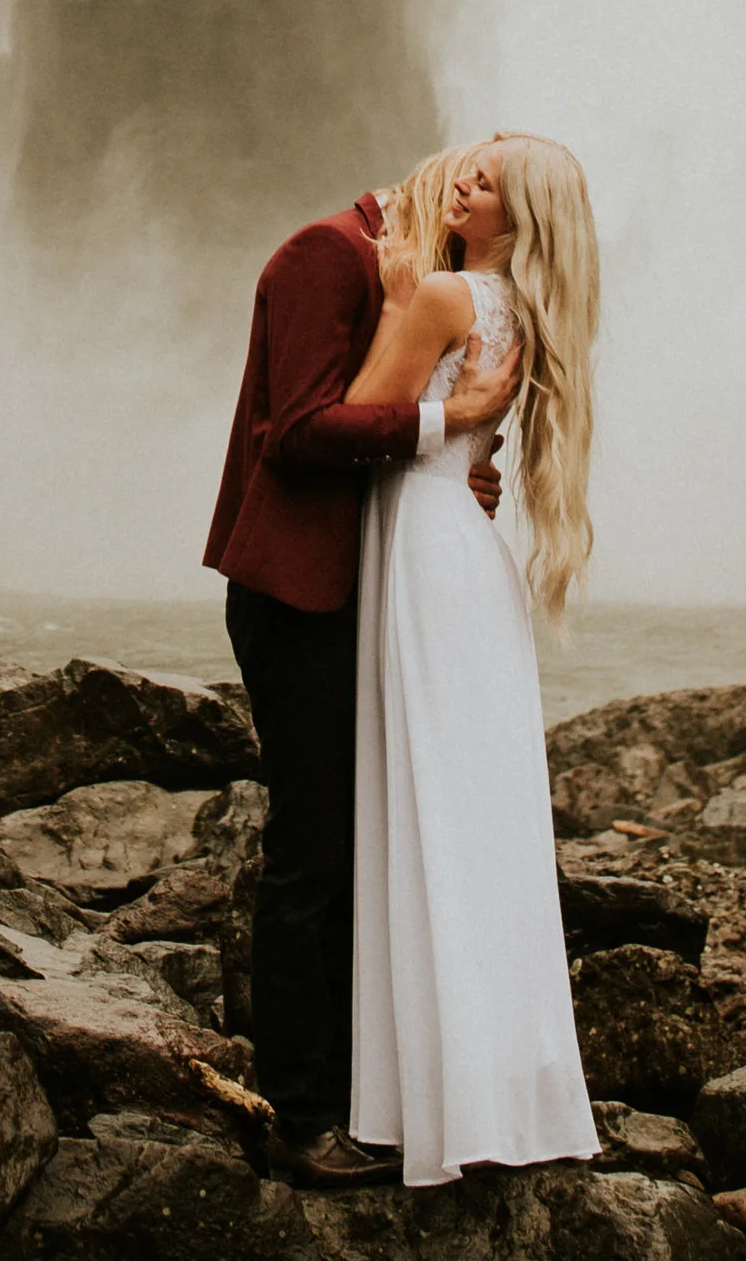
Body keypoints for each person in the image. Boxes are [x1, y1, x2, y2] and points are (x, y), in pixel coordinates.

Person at [204, 152, 521, 1186]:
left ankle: (365, 1089)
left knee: (359, 842)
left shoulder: (402, 275)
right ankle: (297, 1118)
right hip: (297, 595)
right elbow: (294, 433)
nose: (465, 201)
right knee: (313, 848)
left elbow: (382, 431)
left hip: (366, 592)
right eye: (464, 180)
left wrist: (451, 480)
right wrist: (450, 424)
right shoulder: (321, 256)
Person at [343, 132, 600, 1185]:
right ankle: (498, 1090)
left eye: (487, 182)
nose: (462, 179)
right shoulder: (526, 317)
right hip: (464, 549)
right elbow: (464, 450)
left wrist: (401, 294)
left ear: (515, 220)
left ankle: (426, 1105)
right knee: (477, 819)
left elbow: (355, 417)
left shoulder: (448, 296)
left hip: (423, 551)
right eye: (469, 165)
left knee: (427, 814)